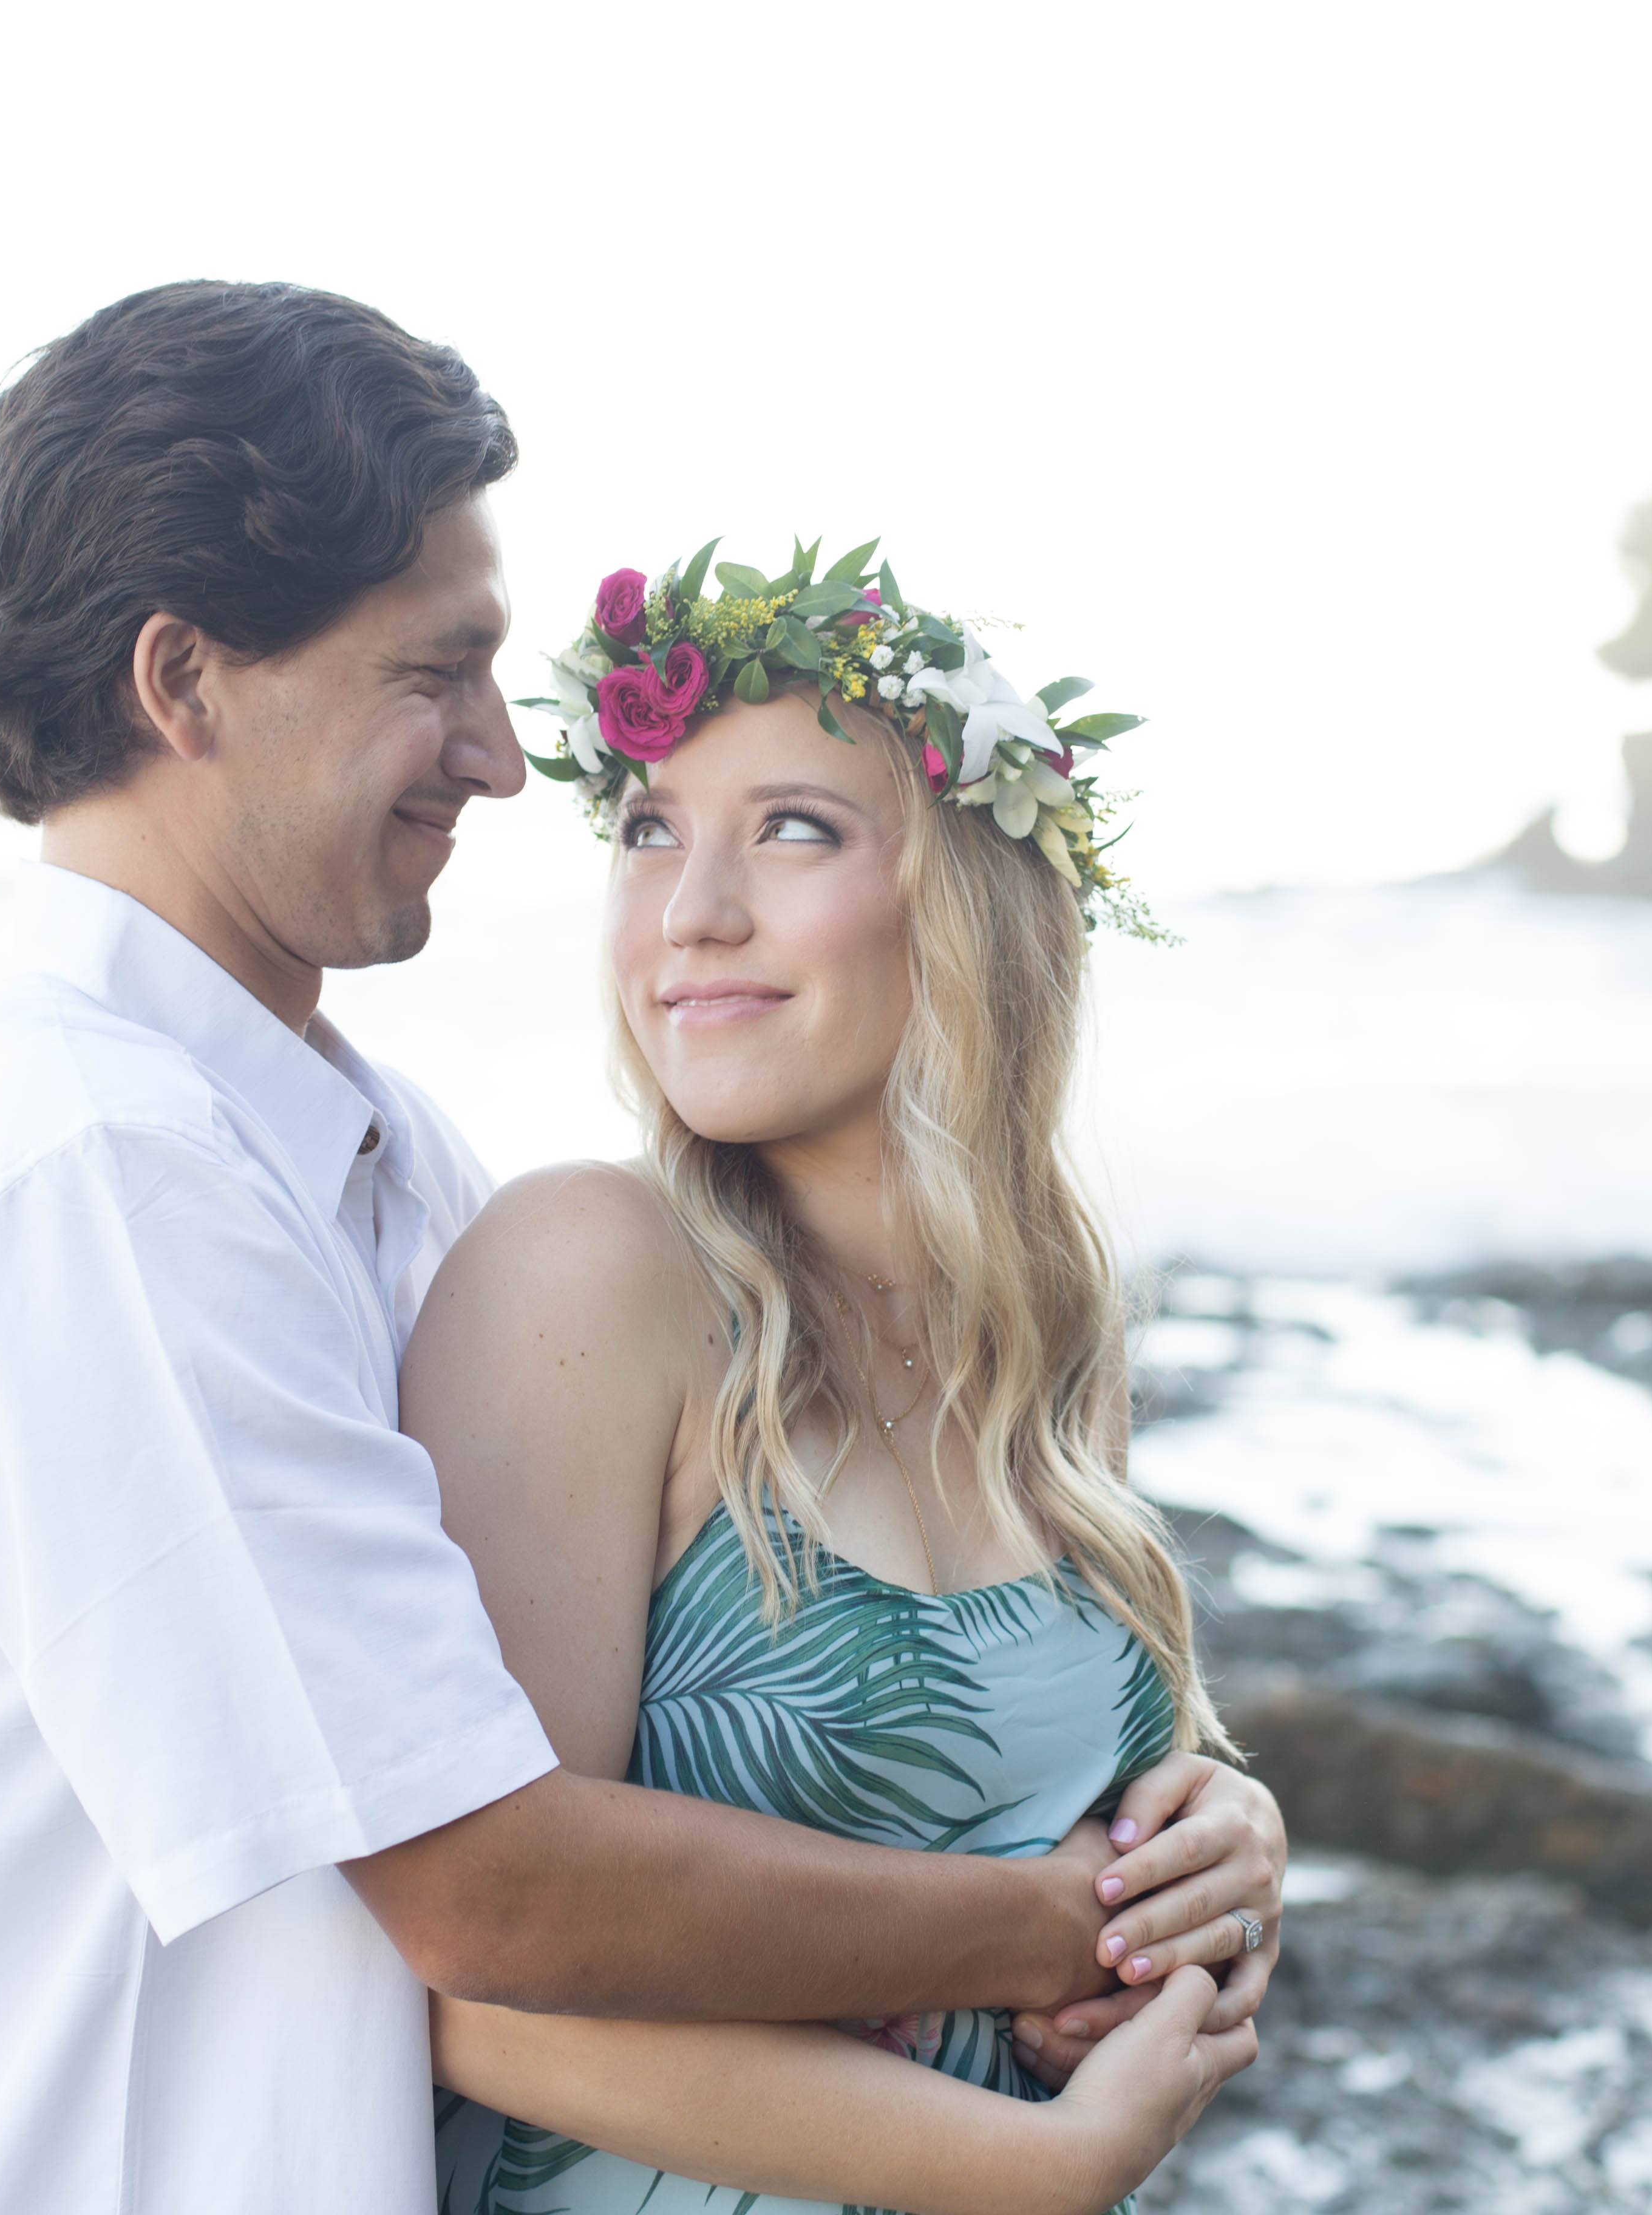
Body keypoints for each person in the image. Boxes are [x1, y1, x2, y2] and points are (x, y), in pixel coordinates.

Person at [0, 285, 1278, 2215]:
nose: (495, 757)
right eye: (435, 675)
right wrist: (1051, 1940)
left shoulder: (360, 1156)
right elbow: (484, 1889)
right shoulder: (105, 1173)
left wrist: (1197, 1838)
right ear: (186, 682)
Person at [419, 543, 1279, 2215]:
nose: (691, 911)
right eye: (650, 830)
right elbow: (475, 1986)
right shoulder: (593, 1272)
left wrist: (1224, 1836)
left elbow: (1073, 1817)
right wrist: (1040, 2168)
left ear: (965, 897)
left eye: (791, 830)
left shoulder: (1044, 1319)